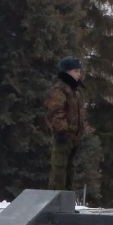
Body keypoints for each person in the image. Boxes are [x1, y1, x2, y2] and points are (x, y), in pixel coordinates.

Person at [44, 56, 91, 192]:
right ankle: (55, 200)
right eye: (76, 71)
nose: (79, 74)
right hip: (63, 137)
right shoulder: (59, 89)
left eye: (79, 71)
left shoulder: (77, 91)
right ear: (67, 72)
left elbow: (79, 113)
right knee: (59, 171)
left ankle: (67, 200)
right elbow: (55, 111)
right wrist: (61, 131)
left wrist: (81, 132)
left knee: (70, 170)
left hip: (75, 137)